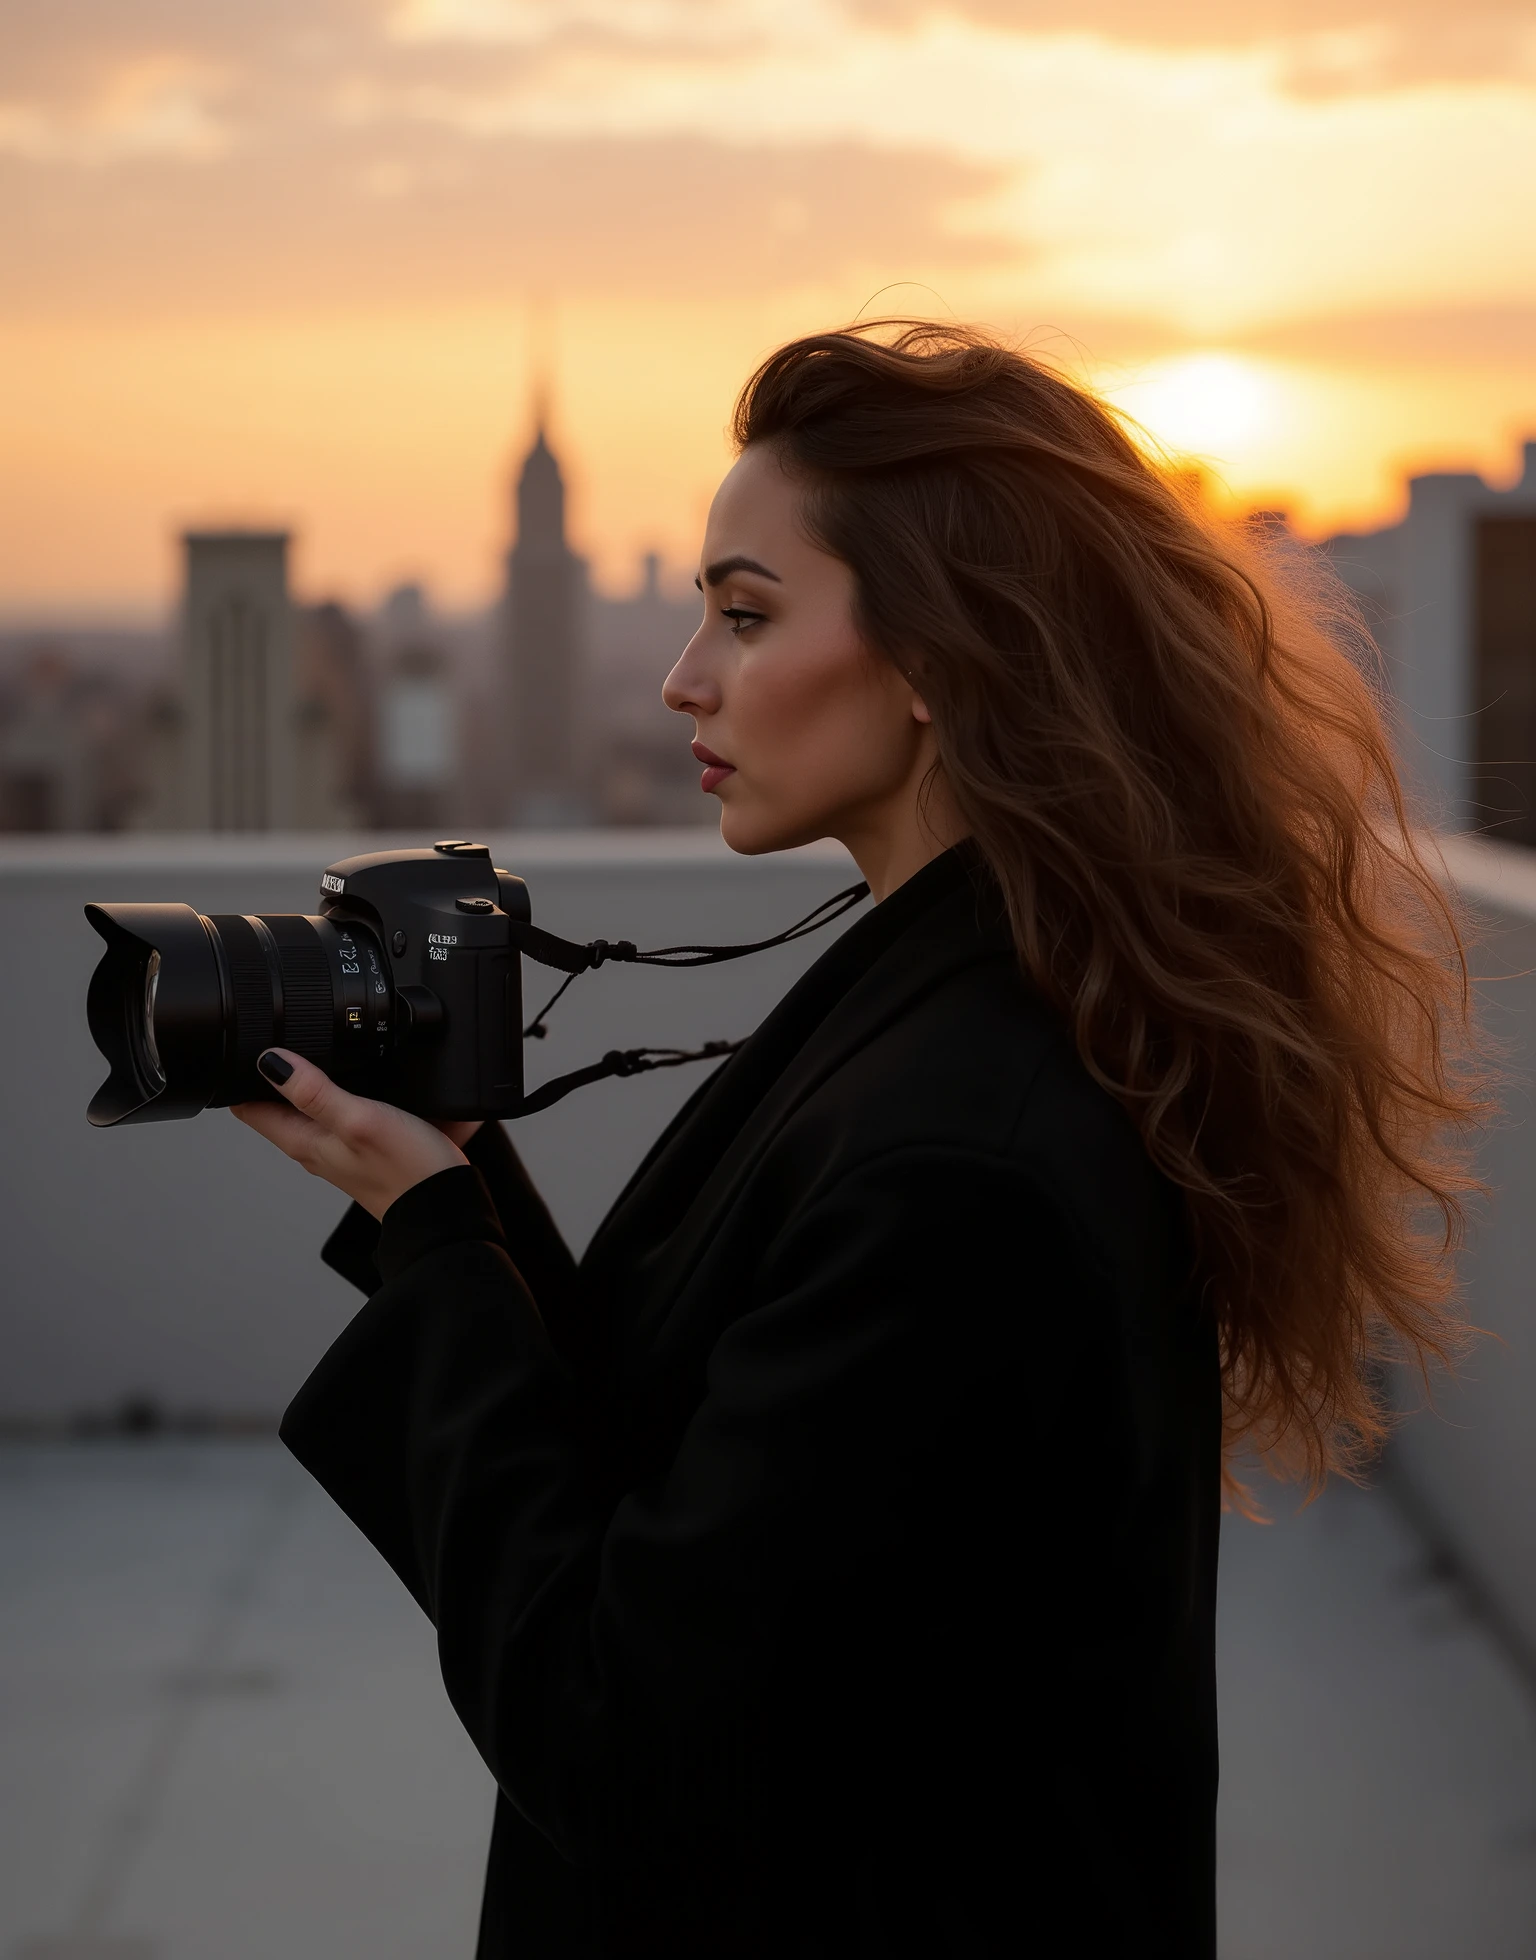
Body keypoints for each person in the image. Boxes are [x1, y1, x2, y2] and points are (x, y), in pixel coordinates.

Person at [232, 324, 1483, 1957]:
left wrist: (436, 1250)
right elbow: (697, 1465)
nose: (686, 675)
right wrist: (453, 1190)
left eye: (746, 616)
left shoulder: (963, 1158)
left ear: (936, 662)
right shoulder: (960, 1000)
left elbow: (626, 1737)